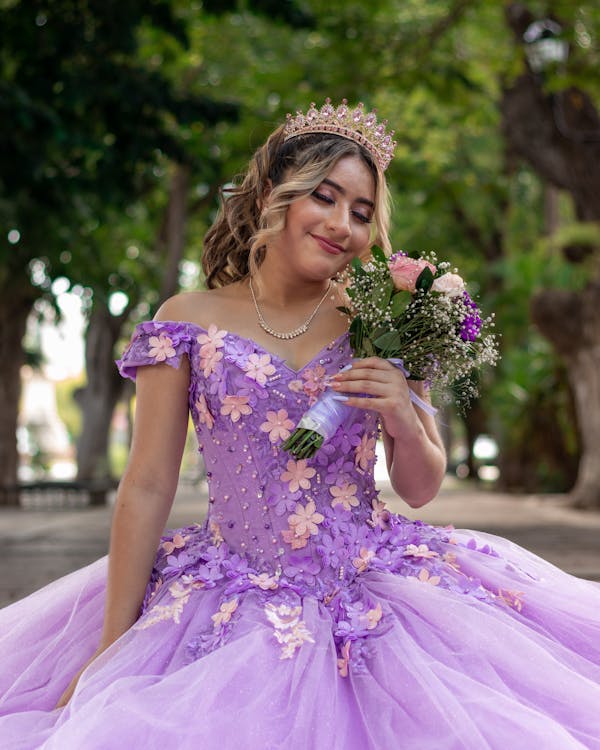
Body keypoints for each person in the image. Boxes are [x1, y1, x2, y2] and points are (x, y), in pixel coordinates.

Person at [1, 99, 600, 750]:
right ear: (273, 197)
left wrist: (402, 410)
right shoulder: (188, 317)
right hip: (228, 585)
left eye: (362, 212)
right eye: (326, 197)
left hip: (372, 582)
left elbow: (421, 485)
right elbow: (146, 486)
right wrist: (110, 646)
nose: (343, 224)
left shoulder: (386, 318)